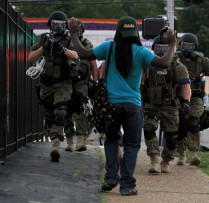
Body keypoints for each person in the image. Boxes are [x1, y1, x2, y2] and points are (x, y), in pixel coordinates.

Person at [69, 16, 177, 196]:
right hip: (133, 106)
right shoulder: (141, 52)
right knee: (132, 145)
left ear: (118, 32)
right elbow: (164, 63)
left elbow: (83, 54)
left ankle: (111, 177)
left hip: (110, 105)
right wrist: (172, 44)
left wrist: (73, 34)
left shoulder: (109, 48)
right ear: (135, 33)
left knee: (111, 140)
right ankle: (126, 184)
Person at [28, 11, 79, 162]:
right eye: (56, 24)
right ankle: (54, 139)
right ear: (50, 25)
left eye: (62, 25)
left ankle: (56, 146)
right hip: (46, 84)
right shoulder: (43, 38)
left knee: (60, 113)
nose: (58, 27)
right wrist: (44, 48)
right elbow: (30, 58)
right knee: (49, 117)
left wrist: (61, 49)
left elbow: (76, 56)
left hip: (63, 83)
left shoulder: (68, 39)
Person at [142, 35, 191, 173]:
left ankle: (166, 160)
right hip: (152, 104)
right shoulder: (148, 64)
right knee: (148, 128)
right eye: (158, 48)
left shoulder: (177, 66)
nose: (161, 51)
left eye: (165, 48)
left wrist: (186, 101)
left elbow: (186, 86)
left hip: (170, 106)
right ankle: (154, 159)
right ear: (154, 48)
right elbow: (140, 81)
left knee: (171, 138)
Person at [175, 33, 209, 166]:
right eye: (185, 45)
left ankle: (194, 154)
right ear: (180, 45)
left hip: (195, 97)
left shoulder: (202, 60)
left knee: (194, 122)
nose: (187, 48)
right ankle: (181, 153)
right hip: (178, 97)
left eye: (190, 46)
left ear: (195, 47)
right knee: (179, 125)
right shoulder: (176, 58)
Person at [64, 20, 98, 152]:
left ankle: (81, 139)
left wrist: (95, 83)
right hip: (66, 81)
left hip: (82, 81)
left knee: (81, 110)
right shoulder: (67, 42)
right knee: (65, 110)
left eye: (78, 30)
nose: (76, 32)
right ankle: (69, 139)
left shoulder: (86, 44)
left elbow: (94, 64)